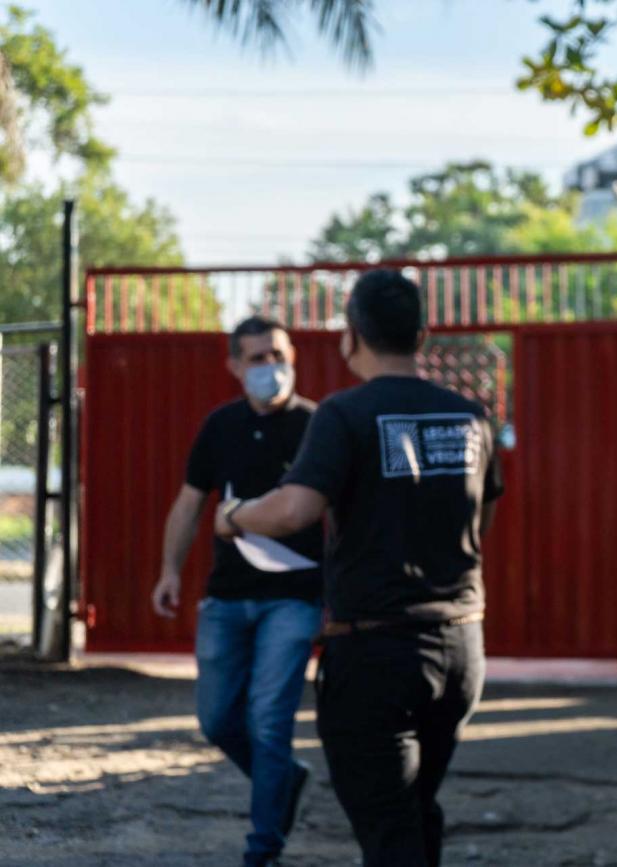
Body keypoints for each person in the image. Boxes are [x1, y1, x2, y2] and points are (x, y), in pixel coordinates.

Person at [212, 269, 504, 867]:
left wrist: (235, 515)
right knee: (414, 809)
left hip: (377, 655)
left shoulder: (344, 414)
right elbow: (482, 514)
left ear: (352, 336)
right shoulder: (469, 417)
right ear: (421, 334)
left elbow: (295, 508)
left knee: (390, 828)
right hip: (459, 649)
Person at [150, 315, 321, 867]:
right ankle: (285, 781)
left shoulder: (320, 427)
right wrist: (169, 571)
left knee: (269, 722)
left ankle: (263, 848)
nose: (271, 368)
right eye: (257, 359)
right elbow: (188, 502)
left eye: (278, 355)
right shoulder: (220, 426)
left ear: (293, 355)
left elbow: (342, 517)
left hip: (295, 598)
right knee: (218, 721)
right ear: (234, 367)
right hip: (226, 597)